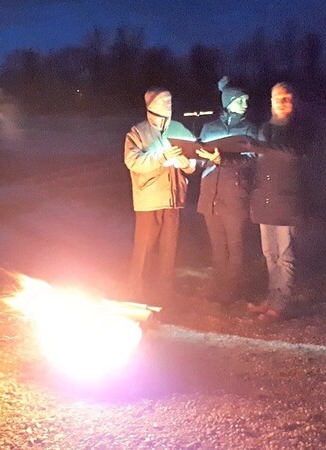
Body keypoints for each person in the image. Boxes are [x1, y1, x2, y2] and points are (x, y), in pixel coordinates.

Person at [124, 87, 196, 305]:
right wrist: (162, 156)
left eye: (170, 101)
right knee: (144, 247)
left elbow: (193, 162)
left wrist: (186, 162)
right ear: (151, 105)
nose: (169, 105)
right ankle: (136, 290)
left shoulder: (180, 129)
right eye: (164, 101)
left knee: (169, 248)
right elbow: (133, 161)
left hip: (174, 199)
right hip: (149, 200)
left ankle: (165, 291)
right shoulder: (137, 133)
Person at [247, 82, 313, 319]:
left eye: (287, 98)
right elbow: (254, 160)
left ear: (293, 102)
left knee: (285, 255)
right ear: (271, 102)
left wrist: (261, 148)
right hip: (265, 199)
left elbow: (293, 154)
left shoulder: (300, 129)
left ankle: (281, 303)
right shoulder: (264, 129)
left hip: (288, 201)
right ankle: (271, 297)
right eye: (278, 99)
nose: (283, 103)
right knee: (269, 253)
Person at [195, 77, 259, 304]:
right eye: (241, 100)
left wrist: (221, 159)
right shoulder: (209, 128)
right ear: (229, 102)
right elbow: (200, 160)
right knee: (217, 246)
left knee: (235, 246)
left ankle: (230, 290)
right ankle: (217, 285)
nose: (245, 104)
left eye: (246, 100)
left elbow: (252, 161)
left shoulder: (250, 130)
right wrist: (199, 157)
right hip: (210, 196)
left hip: (234, 196)